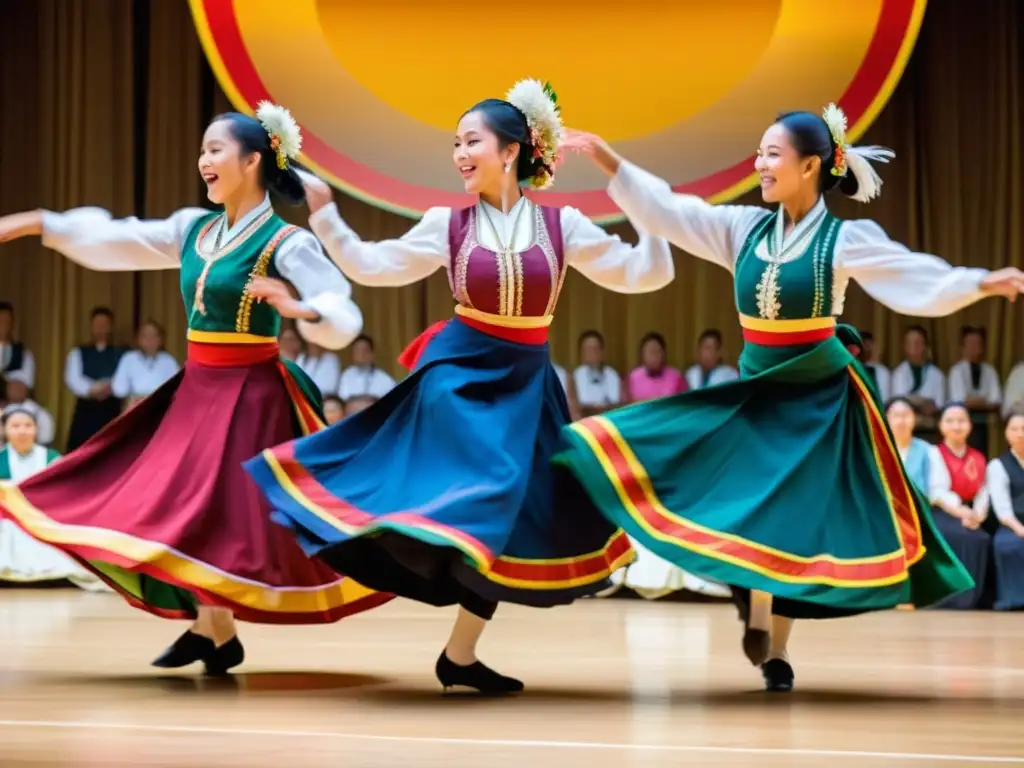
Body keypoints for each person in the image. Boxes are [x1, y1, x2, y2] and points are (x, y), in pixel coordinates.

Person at [554, 104, 1024, 692]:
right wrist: (609, 161)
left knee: (793, 522)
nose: (760, 164)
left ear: (810, 166)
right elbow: (674, 212)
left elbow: (909, 276)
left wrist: (977, 283)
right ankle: (754, 609)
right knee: (732, 499)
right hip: (757, 393)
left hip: (815, 401)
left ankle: (774, 647)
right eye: (760, 152)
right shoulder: (744, 229)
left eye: (771, 154)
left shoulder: (843, 239)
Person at [244, 79, 674, 694]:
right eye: (455, 143)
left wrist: (640, 199)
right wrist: (324, 211)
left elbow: (647, 273)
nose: (460, 154)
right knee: (492, 486)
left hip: (526, 383)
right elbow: (372, 265)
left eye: (471, 140)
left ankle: (460, 656)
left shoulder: (565, 225)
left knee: (517, 521)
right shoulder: (447, 223)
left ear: (511, 150)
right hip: (461, 372)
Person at [0, 103, 385, 676]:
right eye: (202, 150)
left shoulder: (285, 242)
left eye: (215, 150)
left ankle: (214, 631)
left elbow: (339, 307)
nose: (203, 160)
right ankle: (215, 631)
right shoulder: (194, 229)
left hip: (251, 394)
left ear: (253, 160)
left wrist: (298, 307)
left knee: (217, 510)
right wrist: (34, 222)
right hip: (199, 387)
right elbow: (117, 239)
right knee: (176, 500)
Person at [0, 406, 104, 590]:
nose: (22, 431)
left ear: (36, 429)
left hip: (45, 516)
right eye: (15, 426)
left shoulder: (51, 457)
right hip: (9, 518)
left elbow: (66, 490)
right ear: (5, 430)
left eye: (27, 425)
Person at [928, 402, 991, 609]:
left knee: (981, 538)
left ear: (970, 426)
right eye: (950, 421)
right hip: (941, 510)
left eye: (961, 420)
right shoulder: (934, 454)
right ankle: (948, 598)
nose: (956, 426)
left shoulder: (978, 457)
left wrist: (978, 515)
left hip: (970, 513)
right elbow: (937, 491)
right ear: (941, 426)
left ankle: (971, 599)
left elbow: (983, 491)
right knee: (956, 535)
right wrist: (960, 512)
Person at [64, 307, 126, 450]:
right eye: (97, 324)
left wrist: (109, 387)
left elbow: (124, 376)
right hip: (87, 408)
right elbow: (73, 379)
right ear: (91, 326)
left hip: (112, 407)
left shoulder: (121, 353)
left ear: (111, 327)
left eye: (105, 324)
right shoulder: (78, 352)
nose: (101, 328)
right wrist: (93, 389)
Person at [987, 412, 1024, 610]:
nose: (1020, 434)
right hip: (1012, 524)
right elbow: (1002, 509)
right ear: (1006, 434)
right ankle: (1014, 599)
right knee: (1008, 545)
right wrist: (1020, 530)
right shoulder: (998, 465)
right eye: (1014, 429)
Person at [111, 320, 181, 409]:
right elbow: (118, 390)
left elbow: (179, 389)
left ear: (160, 340)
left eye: (154, 336)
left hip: (161, 408)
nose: (150, 340)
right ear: (138, 339)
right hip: (135, 407)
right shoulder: (129, 358)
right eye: (146, 336)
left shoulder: (168, 361)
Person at [626, 332, 686, 402]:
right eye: (651, 352)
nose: (654, 356)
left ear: (664, 354)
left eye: (657, 351)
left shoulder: (676, 377)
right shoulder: (633, 378)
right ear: (642, 355)